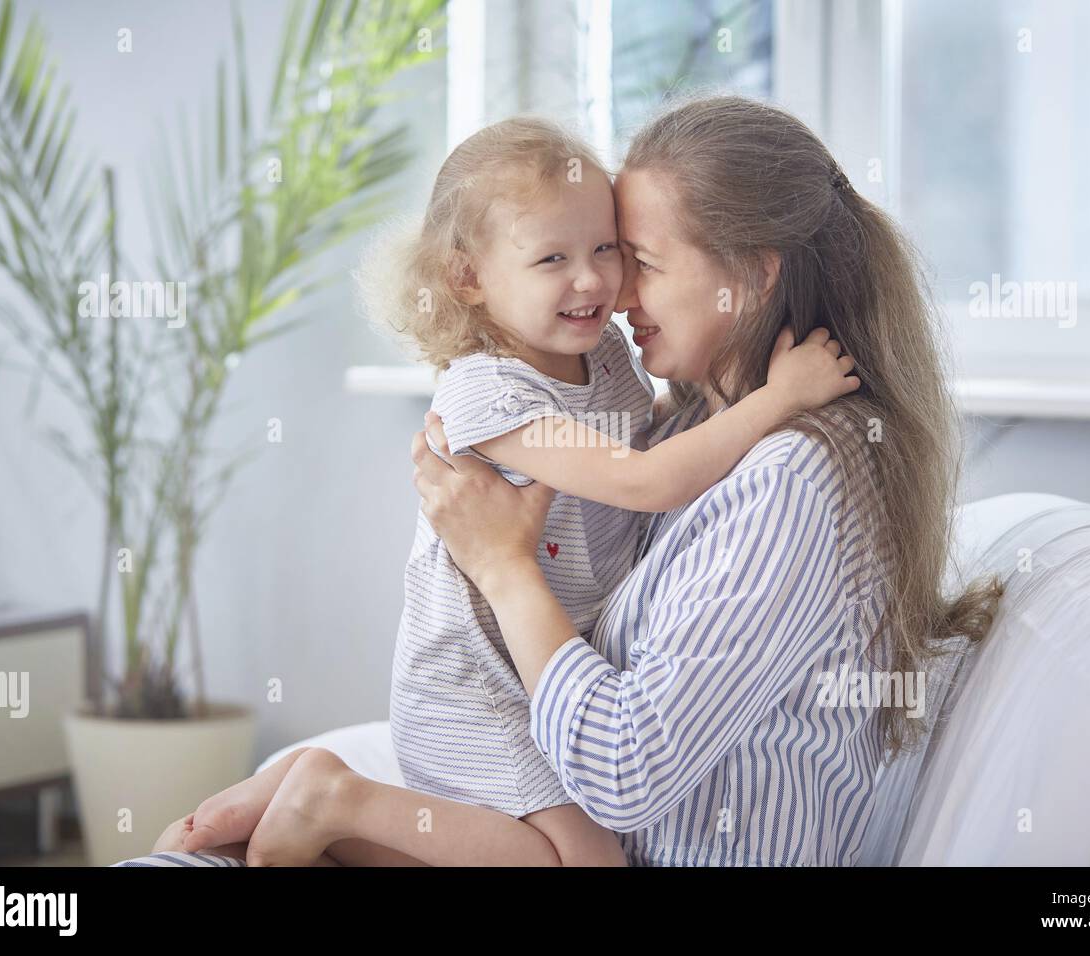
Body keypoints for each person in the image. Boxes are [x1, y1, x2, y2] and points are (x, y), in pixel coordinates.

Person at [122, 94, 1000, 868]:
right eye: (564, 260)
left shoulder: (791, 477)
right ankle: (299, 805)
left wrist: (505, 564)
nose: (610, 294)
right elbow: (644, 479)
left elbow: (622, 768)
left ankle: (311, 803)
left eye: (631, 260)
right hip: (479, 683)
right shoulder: (668, 415)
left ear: (753, 274)